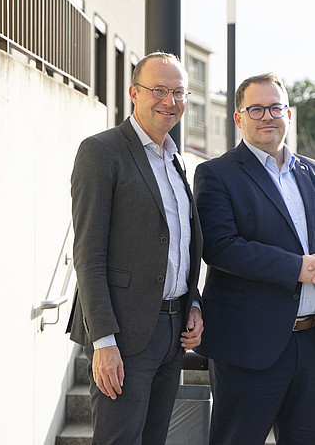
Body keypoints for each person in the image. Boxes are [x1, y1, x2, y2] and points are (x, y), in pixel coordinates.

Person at [66, 52, 204, 444]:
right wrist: (103, 342)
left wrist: (193, 303)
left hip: (173, 334)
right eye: (158, 90)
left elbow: (181, 245)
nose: (169, 101)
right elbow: (88, 256)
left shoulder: (177, 161)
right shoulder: (102, 151)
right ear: (133, 93)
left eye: (178, 92)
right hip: (124, 336)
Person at [194, 73, 315, 444]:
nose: (268, 116)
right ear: (238, 118)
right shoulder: (216, 173)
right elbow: (219, 245)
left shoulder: (311, 172)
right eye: (256, 108)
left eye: (275, 107)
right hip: (248, 347)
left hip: (310, 346)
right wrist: (298, 268)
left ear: (288, 115)